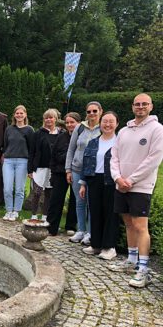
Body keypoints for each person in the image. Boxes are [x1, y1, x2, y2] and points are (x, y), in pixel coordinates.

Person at [108, 94, 163, 288]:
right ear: (132, 107)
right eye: (137, 104)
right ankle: (131, 261)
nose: (140, 107)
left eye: (144, 104)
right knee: (129, 223)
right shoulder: (123, 131)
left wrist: (130, 180)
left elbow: (153, 159)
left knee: (141, 227)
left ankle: (144, 269)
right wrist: (117, 178)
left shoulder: (157, 130)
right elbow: (114, 157)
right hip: (121, 184)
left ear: (151, 106)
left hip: (140, 186)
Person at [78, 111, 119, 259]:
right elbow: (85, 163)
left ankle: (109, 247)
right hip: (94, 179)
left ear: (116, 124)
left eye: (111, 121)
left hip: (112, 180)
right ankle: (96, 244)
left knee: (110, 213)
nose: (107, 124)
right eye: (105, 121)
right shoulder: (93, 142)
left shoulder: (119, 142)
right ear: (100, 123)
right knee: (95, 212)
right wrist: (83, 183)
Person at [65, 101, 102, 245]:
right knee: (79, 202)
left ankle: (90, 232)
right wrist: (68, 169)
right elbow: (71, 149)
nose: (91, 114)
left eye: (94, 111)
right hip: (76, 169)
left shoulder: (103, 128)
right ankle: (80, 230)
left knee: (91, 203)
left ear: (100, 111)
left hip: (93, 172)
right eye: (89, 111)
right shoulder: (80, 128)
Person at [47, 112, 80, 236]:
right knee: (56, 199)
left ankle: (71, 226)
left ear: (78, 123)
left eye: (72, 122)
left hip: (77, 172)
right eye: (67, 122)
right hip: (60, 172)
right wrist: (53, 172)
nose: (70, 125)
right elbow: (53, 155)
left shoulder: (82, 136)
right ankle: (51, 226)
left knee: (75, 199)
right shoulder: (61, 137)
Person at [2, 105, 34, 221]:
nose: (19, 115)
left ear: (25, 115)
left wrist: (31, 168)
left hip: (22, 161)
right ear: (14, 115)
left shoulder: (29, 130)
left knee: (19, 189)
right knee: (7, 188)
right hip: (8, 161)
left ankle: (16, 211)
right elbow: (5, 145)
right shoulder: (9, 129)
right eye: (17, 113)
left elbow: (32, 149)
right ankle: (8, 210)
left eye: (21, 113)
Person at [28, 109, 60, 221]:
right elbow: (32, 152)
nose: (48, 120)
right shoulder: (38, 133)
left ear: (55, 119)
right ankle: (34, 215)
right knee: (37, 192)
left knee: (49, 193)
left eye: (51, 117)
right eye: (46, 118)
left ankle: (45, 216)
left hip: (53, 169)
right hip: (39, 168)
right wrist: (30, 170)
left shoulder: (60, 134)